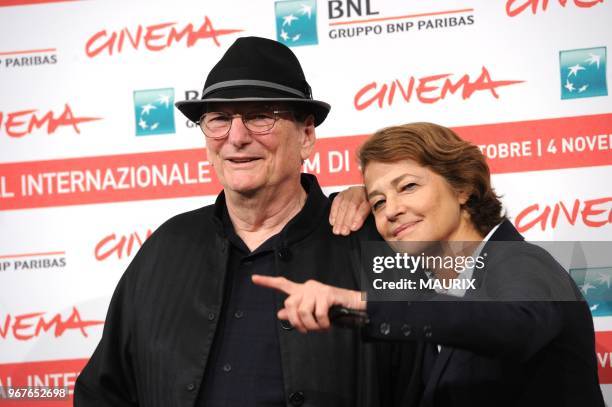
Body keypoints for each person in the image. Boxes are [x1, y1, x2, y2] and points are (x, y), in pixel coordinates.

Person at [74, 37, 417, 407]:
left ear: (306, 135)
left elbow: (481, 292)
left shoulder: (372, 238)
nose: (236, 137)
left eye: (259, 116)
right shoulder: (166, 247)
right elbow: (102, 392)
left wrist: (394, 202)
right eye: (219, 119)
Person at [254, 122, 605, 407]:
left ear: (463, 186)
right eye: (378, 201)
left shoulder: (524, 262)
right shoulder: (431, 287)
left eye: (408, 186)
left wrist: (359, 303)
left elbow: (514, 325)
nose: (390, 210)